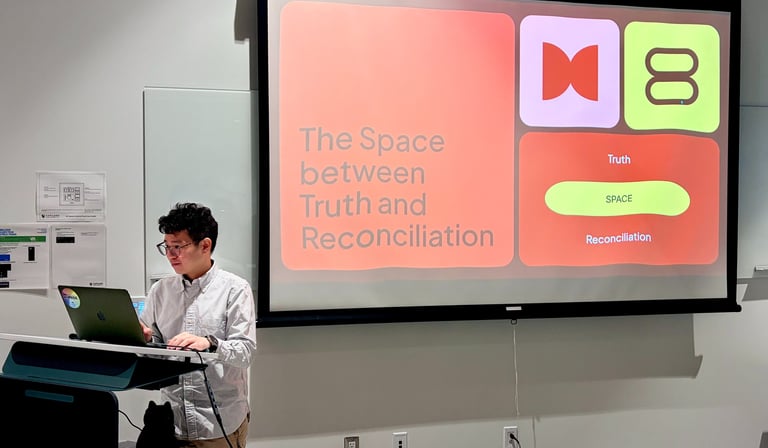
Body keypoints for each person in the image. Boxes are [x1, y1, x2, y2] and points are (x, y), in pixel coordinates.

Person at [139, 202, 257, 448]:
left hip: (217, 424)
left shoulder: (235, 289)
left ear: (205, 245)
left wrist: (210, 343)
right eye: (167, 247)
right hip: (172, 422)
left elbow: (245, 352)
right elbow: (156, 355)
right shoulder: (161, 291)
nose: (171, 254)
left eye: (178, 247)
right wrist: (144, 341)